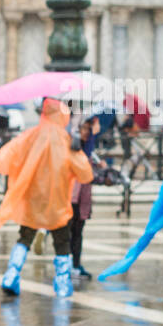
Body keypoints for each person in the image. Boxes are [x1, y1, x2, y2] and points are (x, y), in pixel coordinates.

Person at [0, 97, 94, 297]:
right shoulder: (66, 140)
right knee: (62, 241)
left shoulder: (30, 135)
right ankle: (63, 284)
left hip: (33, 199)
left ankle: (11, 275)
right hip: (58, 200)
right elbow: (85, 174)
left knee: (25, 237)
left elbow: (5, 158)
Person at [68, 114, 102, 278]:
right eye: (84, 128)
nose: (87, 132)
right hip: (71, 195)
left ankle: (76, 264)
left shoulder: (85, 148)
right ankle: (67, 264)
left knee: (78, 231)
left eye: (89, 129)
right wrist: (93, 137)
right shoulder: (72, 146)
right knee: (68, 231)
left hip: (83, 196)